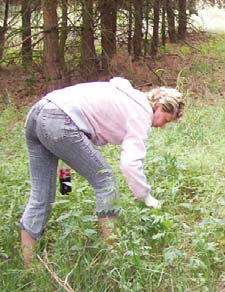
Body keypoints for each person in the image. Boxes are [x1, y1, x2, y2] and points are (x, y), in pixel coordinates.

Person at [19, 77, 185, 266]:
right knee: (106, 181)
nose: (162, 126)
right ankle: (116, 260)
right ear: (158, 106)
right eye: (166, 119)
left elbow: (64, 151)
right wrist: (145, 197)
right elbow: (130, 163)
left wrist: (66, 186)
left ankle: (28, 267)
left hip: (38, 112)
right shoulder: (142, 113)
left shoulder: (126, 94)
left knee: (41, 196)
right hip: (60, 120)